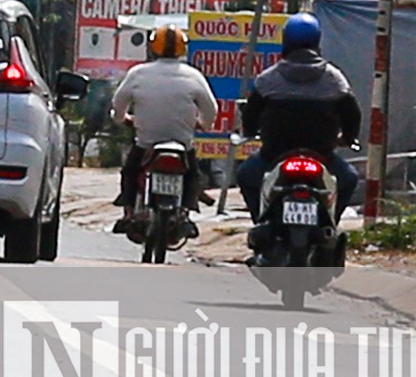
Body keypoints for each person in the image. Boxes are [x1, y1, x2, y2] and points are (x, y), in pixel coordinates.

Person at [235, 12, 364, 217]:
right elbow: (352, 115)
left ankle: (260, 221)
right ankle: (329, 224)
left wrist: (250, 131)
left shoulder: (268, 79)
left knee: (245, 175)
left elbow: (250, 116)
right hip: (322, 156)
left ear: (285, 40)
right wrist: (348, 138)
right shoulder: (334, 79)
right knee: (348, 179)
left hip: (274, 156)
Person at [110, 26, 218, 235]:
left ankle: (129, 212)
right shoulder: (193, 75)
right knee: (192, 174)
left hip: (146, 143)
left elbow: (118, 103)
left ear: (153, 48)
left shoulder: (138, 73)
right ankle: (186, 212)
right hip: (181, 143)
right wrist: (204, 124)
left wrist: (121, 119)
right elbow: (211, 108)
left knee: (130, 171)